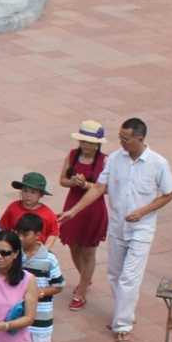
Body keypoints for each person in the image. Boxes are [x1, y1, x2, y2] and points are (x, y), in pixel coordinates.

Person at [58, 118, 172, 342]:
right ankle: (125, 314)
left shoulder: (158, 163)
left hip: (141, 229)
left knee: (129, 278)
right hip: (117, 227)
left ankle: (122, 325)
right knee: (114, 274)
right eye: (120, 138)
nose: (121, 142)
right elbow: (100, 188)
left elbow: (168, 194)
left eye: (125, 139)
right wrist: (73, 211)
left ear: (139, 139)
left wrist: (143, 211)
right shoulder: (114, 159)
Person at [57, 121, 109, 310]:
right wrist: (73, 182)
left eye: (90, 142)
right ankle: (85, 278)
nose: (86, 146)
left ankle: (81, 291)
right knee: (73, 245)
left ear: (97, 143)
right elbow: (62, 180)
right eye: (83, 141)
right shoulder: (72, 155)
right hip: (73, 203)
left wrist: (86, 185)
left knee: (88, 250)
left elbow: (107, 188)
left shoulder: (104, 160)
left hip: (93, 208)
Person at [15, 214, 65, 342]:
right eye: (18, 233)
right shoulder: (14, 255)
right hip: (18, 312)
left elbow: (59, 286)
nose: (20, 238)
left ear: (38, 235)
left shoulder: (49, 259)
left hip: (41, 315)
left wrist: (40, 293)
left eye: (25, 234)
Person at [0, 173, 59, 242]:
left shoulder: (48, 214)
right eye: (25, 191)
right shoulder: (13, 207)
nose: (28, 195)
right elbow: (3, 227)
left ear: (41, 194)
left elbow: (53, 233)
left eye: (33, 192)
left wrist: (44, 250)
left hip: (37, 249)